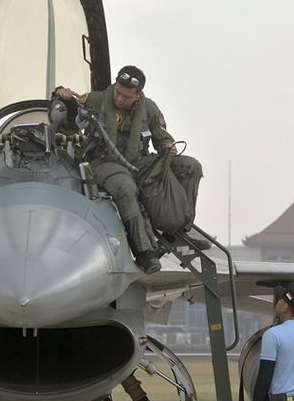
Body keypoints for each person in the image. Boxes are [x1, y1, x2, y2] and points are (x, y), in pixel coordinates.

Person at [55, 65, 207, 274]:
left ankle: (180, 232)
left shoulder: (149, 109)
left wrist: (168, 147)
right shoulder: (95, 100)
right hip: (103, 162)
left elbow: (161, 135)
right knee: (125, 186)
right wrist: (62, 97)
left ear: (137, 95)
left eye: (126, 96)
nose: (119, 99)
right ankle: (144, 252)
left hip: (139, 162)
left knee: (191, 167)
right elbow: (67, 124)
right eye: (117, 92)